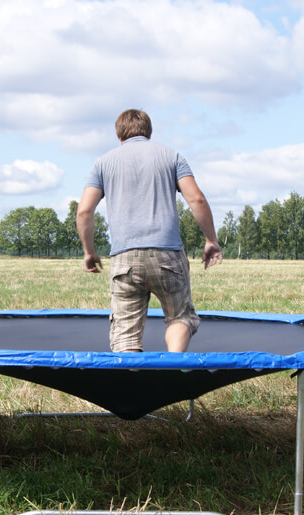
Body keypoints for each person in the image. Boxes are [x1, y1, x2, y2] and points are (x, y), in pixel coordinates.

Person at [76, 109, 222, 353]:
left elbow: (84, 211)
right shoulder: (172, 156)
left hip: (124, 258)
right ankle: (174, 366)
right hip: (168, 255)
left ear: (119, 136)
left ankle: (132, 378)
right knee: (180, 316)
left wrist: (89, 251)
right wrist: (211, 240)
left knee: (125, 331)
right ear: (149, 132)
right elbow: (196, 199)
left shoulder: (102, 163)